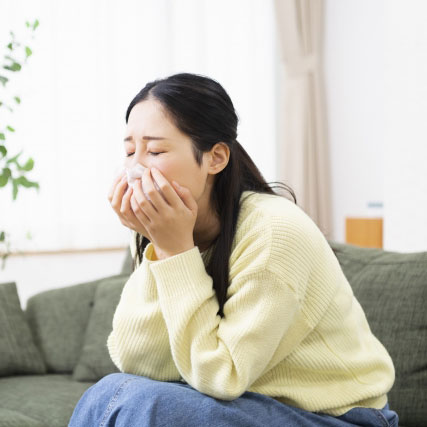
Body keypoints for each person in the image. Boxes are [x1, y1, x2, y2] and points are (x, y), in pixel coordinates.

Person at [69, 73, 399, 427]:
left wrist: (175, 251)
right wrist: (158, 247)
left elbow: (221, 376)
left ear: (215, 158)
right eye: (130, 151)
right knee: (112, 391)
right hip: (251, 405)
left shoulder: (275, 232)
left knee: (137, 405)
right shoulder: (171, 232)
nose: (135, 170)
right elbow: (139, 360)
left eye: (156, 151)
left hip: (342, 419)